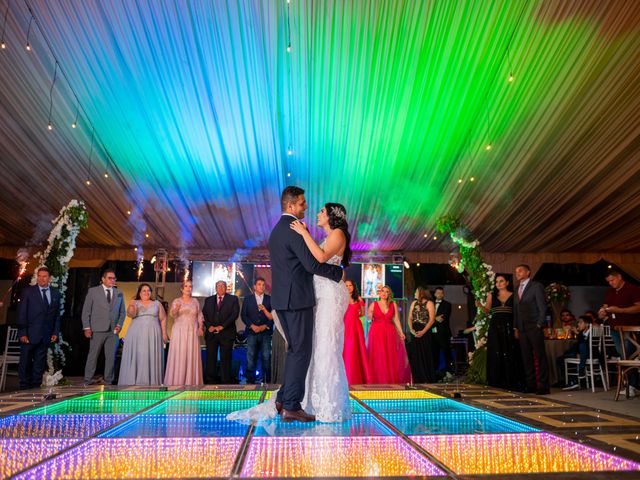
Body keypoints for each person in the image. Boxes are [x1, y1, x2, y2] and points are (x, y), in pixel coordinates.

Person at [16, 267, 61, 390]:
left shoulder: (55, 293)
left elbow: (56, 316)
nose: (41, 278)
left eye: (44, 276)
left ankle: (35, 388)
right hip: (29, 335)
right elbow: (21, 314)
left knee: (39, 364)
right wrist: (23, 333)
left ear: (49, 278)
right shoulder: (28, 292)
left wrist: (55, 332)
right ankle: (23, 388)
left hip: (45, 335)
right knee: (25, 363)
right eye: (39, 276)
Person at [599, 268, 640, 395]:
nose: (611, 283)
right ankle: (631, 385)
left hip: (630, 328)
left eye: (613, 280)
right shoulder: (610, 292)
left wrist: (620, 310)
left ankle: (633, 385)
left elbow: (639, 307)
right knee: (623, 355)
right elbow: (606, 306)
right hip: (615, 329)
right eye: (609, 281)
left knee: (628, 355)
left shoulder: (632, 288)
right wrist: (602, 310)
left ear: (619, 276)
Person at [81, 269, 126, 386]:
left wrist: (119, 325)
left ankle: (108, 380)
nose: (113, 280)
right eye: (110, 278)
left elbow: (122, 313)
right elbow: (86, 311)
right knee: (93, 355)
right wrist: (86, 327)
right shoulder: (93, 291)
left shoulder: (119, 293)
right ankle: (88, 379)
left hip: (113, 331)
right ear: (103, 279)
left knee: (111, 357)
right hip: (96, 329)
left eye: (114, 278)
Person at [118, 284, 168, 385]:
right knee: (139, 354)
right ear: (139, 293)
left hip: (153, 333)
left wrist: (164, 333)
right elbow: (130, 314)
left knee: (150, 354)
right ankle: (134, 380)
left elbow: (163, 319)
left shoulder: (157, 303)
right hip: (136, 333)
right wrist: (132, 305)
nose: (146, 292)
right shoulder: (135, 302)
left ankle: (151, 381)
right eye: (144, 291)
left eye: (148, 290)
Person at [513, 264, 550, 394]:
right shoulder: (517, 288)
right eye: (516, 271)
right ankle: (531, 385)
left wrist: (539, 324)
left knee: (540, 356)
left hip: (534, 326)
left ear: (528, 272)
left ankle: (543, 386)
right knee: (526, 357)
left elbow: (542, 307)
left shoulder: (536, 286)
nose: (517, 273)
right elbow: (516, 310)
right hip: (522, 328)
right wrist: (516, 327)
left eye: (520, 270)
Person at [483, 274, 523, 390]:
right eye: (496, 282)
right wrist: (480, 305)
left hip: (510, 325)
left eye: (501, 281)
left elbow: (517, 313)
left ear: (507, 283)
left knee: (510, 350)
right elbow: (487, 310)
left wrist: (516, 328)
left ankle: (511, 380)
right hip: (495, 326)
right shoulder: (491, 295)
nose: (498, 283)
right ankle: (496, 380)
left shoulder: (514, 295)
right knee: (496, 350)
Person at [367, 285, 412, 384]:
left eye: (386, 291)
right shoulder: (374, 304)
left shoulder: (393, 304)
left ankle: (389, 379)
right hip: (376, 333)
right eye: (382, 291)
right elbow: (368, 317)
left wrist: (401, 332)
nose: (384, 293)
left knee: (389, 356)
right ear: (380, 293)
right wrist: (369, 316)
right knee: (378, 356)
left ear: (389, 294)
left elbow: (396, 319)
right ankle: (377, 379)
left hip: (389, 332)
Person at [164, 280, 204, 386]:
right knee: (180, 354)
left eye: (190, 286)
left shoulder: (195, 301)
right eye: (186, 286)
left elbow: (199, 315)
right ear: (182, 289)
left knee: (191, 354)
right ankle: (177, 381)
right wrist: (176, 309)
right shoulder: (177, 301)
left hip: (192, 331)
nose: (188, 288)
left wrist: (200, 327)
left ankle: (191, 381)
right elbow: (172, 314)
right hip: (180, 331)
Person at [203, 281, 240, 384]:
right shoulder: (208, 300)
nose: (220, 287)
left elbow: (234, 314)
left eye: (223, 286)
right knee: (210, 358)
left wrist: (222, 326)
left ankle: (225, 381)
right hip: (211, 334)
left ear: (226, 288)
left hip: (227, 333)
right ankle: (210, 381)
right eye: (218, 286)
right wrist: (209, 326)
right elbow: (204, 314)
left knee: (226, 359)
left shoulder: (233, 299)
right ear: (215, 288)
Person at [241, 277, 274, 384]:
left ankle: (267, 383)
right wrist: (251, 325)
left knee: (266, 358)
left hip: (266, 333)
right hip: (252, 333)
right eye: (259, 284)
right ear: (254, 286)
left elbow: (274, 316)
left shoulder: (270, 299)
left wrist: (266, 326)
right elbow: (243, 315)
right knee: (250, 358)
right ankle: (250, 383)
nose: (261, 286)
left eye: (263, 285)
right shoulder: (248, 299)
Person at [342, 280, 369, 385]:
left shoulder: (358, 299)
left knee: (356, 349)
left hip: (356, 327)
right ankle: (346, 375)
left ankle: (357, 376)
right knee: (347, 349)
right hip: (345, 326)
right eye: (346, 285)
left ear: (354, 287)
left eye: (350, 285)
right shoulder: (342, 298)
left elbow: (362, 313)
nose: (348, 287)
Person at [407, 287, 436, 383]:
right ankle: (417, 378)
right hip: (415, 331)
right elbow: (410, 317)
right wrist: (411, 329)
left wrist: (423, 332)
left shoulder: (429, 303)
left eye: (416, 292)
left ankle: (426, 378)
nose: (415, 293)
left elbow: (432, 320)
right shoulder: (413, 303)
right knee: (415, 355)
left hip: (425, 331)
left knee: (425, 354)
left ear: (421, 293)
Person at [558, 315, 594, 390]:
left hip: (591, 354)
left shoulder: (592, 331)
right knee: (561, 358)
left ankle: (575, 379)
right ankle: (573, 380)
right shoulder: (582, 333)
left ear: (587, 324)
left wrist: (577, 333)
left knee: (582, 346)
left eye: (581, 323)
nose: (578, 324)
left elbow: (587, 344)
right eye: (578, 323)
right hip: (581, 354)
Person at [431, 287, 453, 378]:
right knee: (434, 352)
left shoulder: (447, 304)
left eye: (441, 293)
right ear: (435, 294)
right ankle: (434, 372)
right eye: (438, 293)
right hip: (432, 333)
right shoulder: (430, 304)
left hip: (444, 333)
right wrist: (434, 319)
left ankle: (448, 371)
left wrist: (432, 320)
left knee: (446, 352)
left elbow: (442, 319)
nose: (440, 294)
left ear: (443, 294)